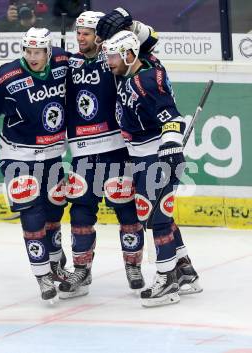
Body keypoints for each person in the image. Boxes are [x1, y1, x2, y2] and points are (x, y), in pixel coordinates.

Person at [0, 27, 70, 301]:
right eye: (28, 51)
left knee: (55, 210)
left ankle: (56, 263)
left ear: (48, 51)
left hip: (52, 152)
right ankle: (42, 273)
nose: (32, 57)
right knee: (31, 213)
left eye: (38, 52)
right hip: (18, 154)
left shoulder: (62, 61)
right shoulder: (8, 74)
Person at [59, 10, 158, 299]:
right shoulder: (68, 61)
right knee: (80, 211)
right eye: (78, 33)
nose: (80, 38)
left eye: (86, 33)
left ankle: (133, 266)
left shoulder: (112, 57)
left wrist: (128, 20)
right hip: (82, 151)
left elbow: (150, 40)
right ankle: (81, 269)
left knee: (127, 210)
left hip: (115, 147)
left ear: (100, 37)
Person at [102, 30, 202, 307]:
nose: (109, 61)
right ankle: (186, 273)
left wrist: (170, 145)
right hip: (142, 156)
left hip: (155, 158)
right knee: (162, 217)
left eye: (113, 56)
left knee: (157, 219)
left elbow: (171, 116)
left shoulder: (143, 80)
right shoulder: (128, 75)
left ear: (129, 55)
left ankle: (166, 279)